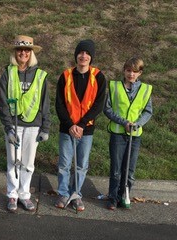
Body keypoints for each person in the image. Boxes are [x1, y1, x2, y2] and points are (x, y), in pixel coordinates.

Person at [0, 35, 50, 213]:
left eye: (27, 50)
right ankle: (12, 194)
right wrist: (8, 128)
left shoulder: (40, 75)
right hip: (14, 125)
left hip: (33, 125)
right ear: (15, 52)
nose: (23, 53)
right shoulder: (8, 73)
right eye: (20, 49)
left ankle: (24, 194)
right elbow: (3, 103)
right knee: (13, 161)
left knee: (28, 163)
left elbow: (45, 103)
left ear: (31, 53)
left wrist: (45, 128)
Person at [55, 39, 106, 212]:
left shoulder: (98, 77)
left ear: (91, 57)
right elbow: (59, 104)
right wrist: (70, 125)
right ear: (76, 55)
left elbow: (98, 104)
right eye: (80, 53)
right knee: (64, 163)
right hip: (67, 128)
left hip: (86, 129)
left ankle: (75, 194)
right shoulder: (66, 76)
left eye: (87, 53)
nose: (83, 56)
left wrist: (82, 124)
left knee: (81, 164)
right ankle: (62, 193)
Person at [103, 57, 153, 210]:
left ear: (140, 73)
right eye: (128, 71)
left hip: (135, 135)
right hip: (118, 133)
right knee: (116, 169)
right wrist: (123, 122)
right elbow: (108, 109)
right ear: (124, 71)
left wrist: (137, 124)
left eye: (134, 72)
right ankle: (113, 197)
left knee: (129, 170)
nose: (131, 74)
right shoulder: (115, 86)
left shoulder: (145, 89)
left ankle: (124, 195)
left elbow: (148, 111)